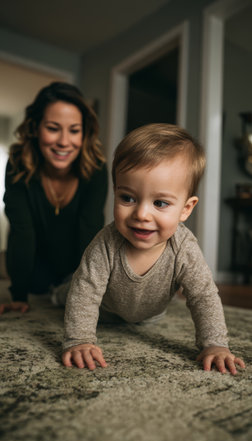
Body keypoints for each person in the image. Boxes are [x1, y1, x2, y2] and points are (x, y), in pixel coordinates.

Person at [62, 123, 245, 374]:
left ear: (186, 209)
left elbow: (203, 296)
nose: (141, 214)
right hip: (105, 310)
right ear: (115, 193)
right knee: (69, 291)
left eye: (159, 203)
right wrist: (79, 339)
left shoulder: (183, 248)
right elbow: (85, 291)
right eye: (128, 198)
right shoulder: (106, 243)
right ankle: (57, 289)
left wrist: (215, 345)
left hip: (149, 315)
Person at [0, 81, 108, 314]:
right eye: (53, 128)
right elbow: (21, 231)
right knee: (37, 288)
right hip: (35, 270)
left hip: (75, 266)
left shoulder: (97, 168)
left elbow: (90, 229)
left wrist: (88, 292)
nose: (64, 141)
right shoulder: (17, 165)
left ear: (84, 132)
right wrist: (18, 295)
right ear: (35, 127)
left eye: (74, 130)